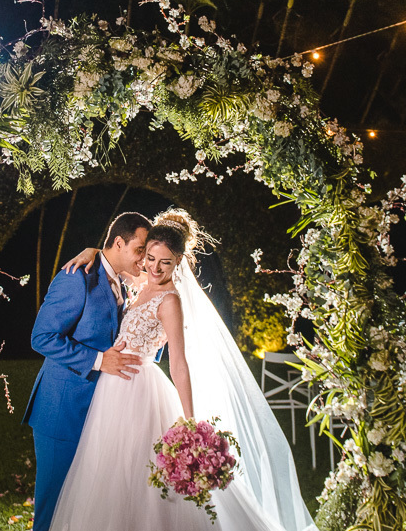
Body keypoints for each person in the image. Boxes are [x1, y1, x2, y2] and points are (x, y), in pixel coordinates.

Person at [49, 209, 319, 531]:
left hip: (139, 390)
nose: (154, 267)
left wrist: (190, 422)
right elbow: (113, 256)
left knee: (141, 478)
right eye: (150, 258)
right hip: (112, 388)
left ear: (178, 263)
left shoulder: (169, 300)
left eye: (165, 262)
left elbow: (178, 361)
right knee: (109, 474)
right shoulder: (142, 282)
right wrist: (92, 250)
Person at [22, 211, 152, 531]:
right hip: (62, 412)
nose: (144, 259)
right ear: (118, 243)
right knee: (53, 508)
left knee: (82, 508)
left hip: (101, 416)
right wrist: (97, 360)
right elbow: (42, 337)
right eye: (140, 250)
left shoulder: (125, 284)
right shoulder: (76, 277)